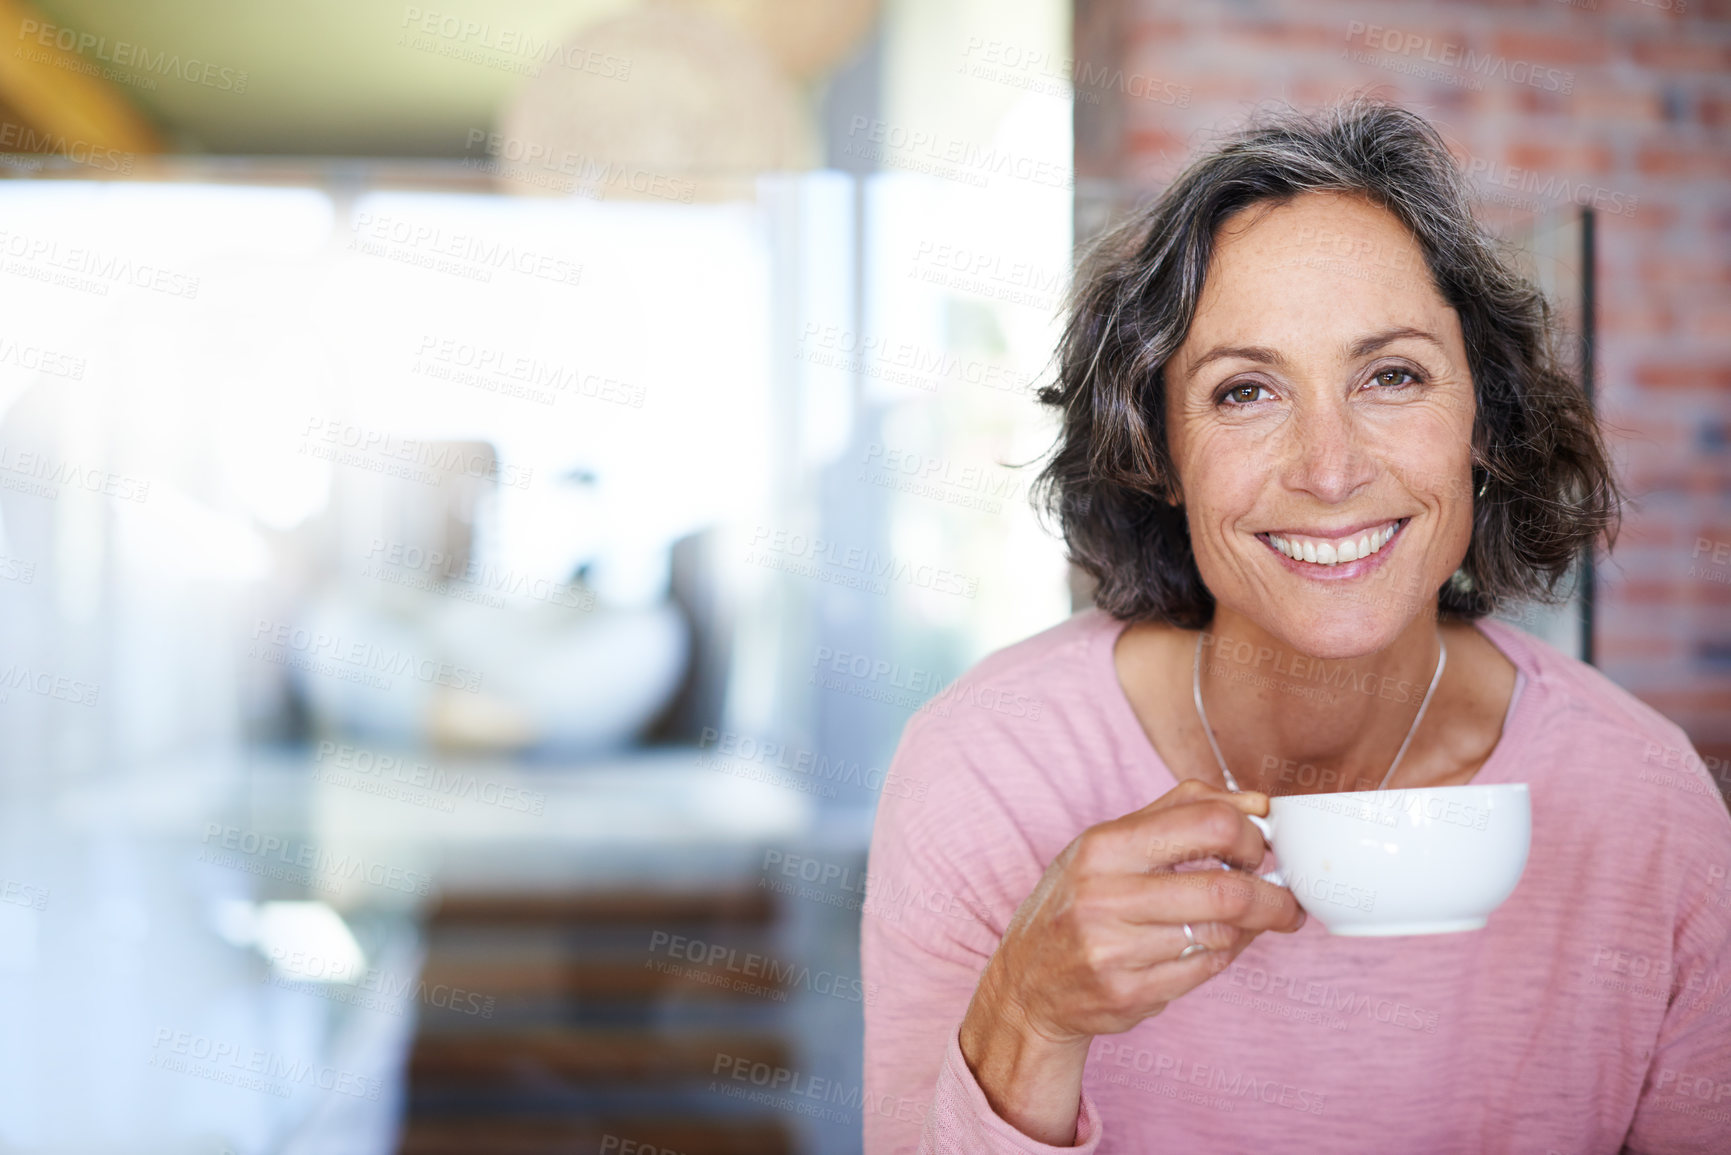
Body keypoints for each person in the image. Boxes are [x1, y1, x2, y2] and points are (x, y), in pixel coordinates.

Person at [860, 95, 1731, 1153]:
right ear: (1157, 453)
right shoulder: (990, 769)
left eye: (1393, 375)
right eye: (1244, 393)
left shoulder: (1644, 799)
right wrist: (1030, 1016)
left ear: (1483, 422)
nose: (1330, 469)